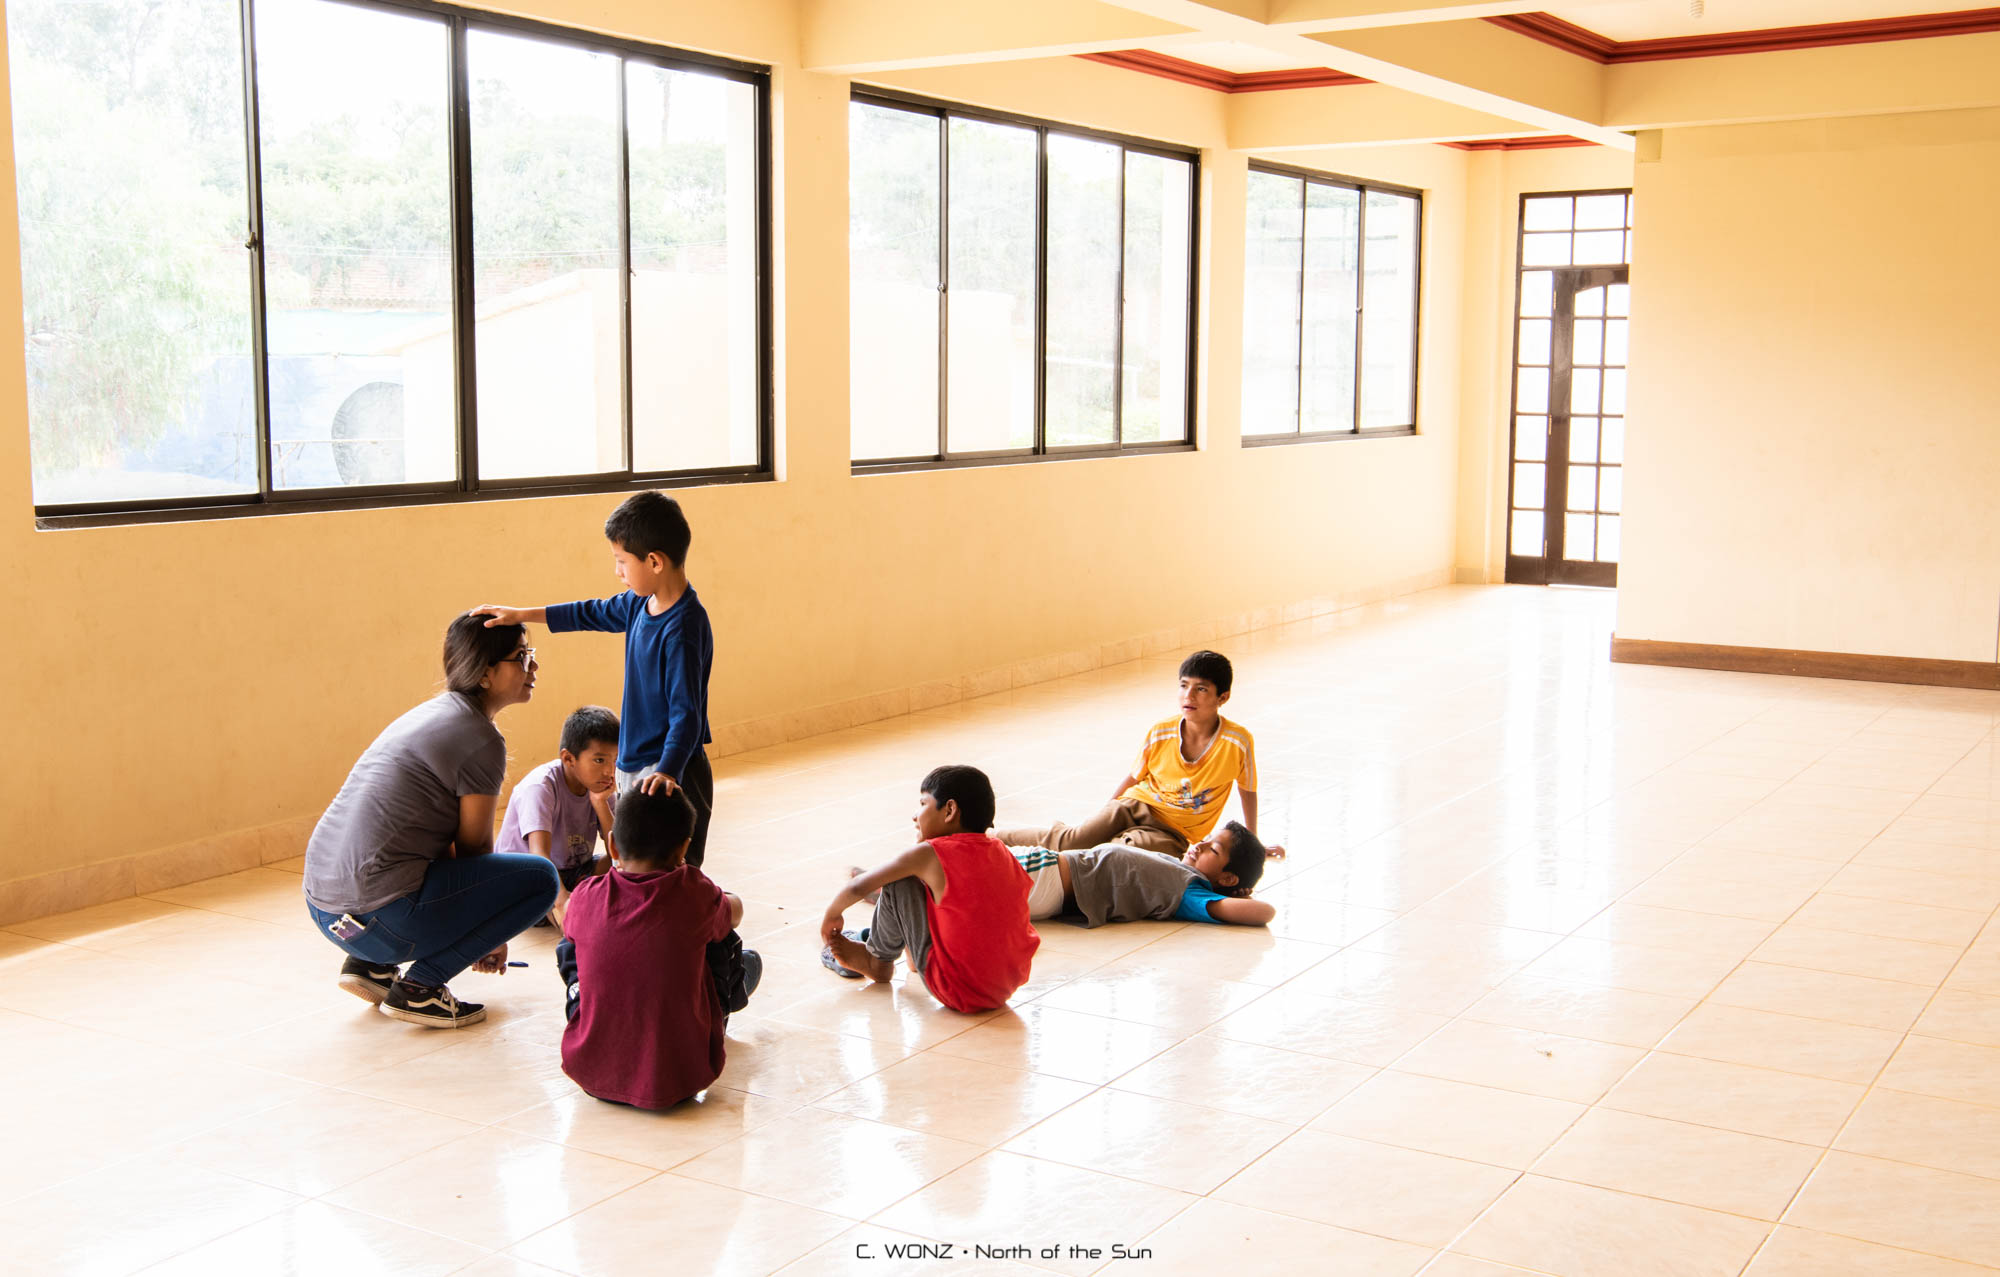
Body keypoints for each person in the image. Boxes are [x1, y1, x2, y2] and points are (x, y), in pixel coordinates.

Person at [303, 614, 560, 1028]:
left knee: (423, 862)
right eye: (521, 656)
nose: (533, 666)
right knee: (541, 879)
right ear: (485, 672)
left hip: (324, 910)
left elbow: (440, 839)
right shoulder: (480, 739)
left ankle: (370, 966)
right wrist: (490, 935)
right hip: (382, 919)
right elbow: (475, 851)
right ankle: (420, 988)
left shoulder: (430, 714)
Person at [472, 491, 717, 865]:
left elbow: (687, 714)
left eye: (621, 561)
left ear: (654, 561)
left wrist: (668, 770)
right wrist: (521, 614)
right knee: (635, 863)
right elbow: (590, 613)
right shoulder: (640, 603)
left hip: (669, 768)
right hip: (635, 764)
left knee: (672, 866)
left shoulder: (682, 627)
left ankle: (692, 919)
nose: (617, 571)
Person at [557, 775, 761, 1110]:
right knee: (722, 935)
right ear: (684, 848)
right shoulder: (694, 891)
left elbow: (567, 923)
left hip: (592, 1075)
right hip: (682, 1078)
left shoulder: (585, 895)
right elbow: (735, 910)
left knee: (569, 946)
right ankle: (729, 999)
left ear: (612, 847)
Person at [995, 650, 1285, 860]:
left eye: (1201, 689)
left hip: (1175, 833)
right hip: (1135, 805)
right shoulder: (1161, 732)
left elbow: (1248, 790)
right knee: (1073, 840)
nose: (1189, 696)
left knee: (1117, 853)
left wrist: (1253, 843)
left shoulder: (1237, 741)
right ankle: (989, 837)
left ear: (1223, 697)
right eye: (1184, 686)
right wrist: (1105, 812)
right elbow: (1134, 777)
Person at [819, 765, 1039, 1014]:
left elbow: (861, 884)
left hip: (957, 988)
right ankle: (916, 958)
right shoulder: (1001, 851)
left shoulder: (929, 854)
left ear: (950, 810)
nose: (915, 815)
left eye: (923, 804)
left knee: (899, 879)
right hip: (1005, 985)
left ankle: (877, 960)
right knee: (942, 893)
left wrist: (832, 914)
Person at [1016, 822, 1279, 928]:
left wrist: (1241, 897)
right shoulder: (1182, 871)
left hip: (1045, 874)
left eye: (1214, 849)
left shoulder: (1189, 890)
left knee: (978, 855)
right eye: (1207, 839)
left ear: (1228, 878)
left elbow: (1265, 912)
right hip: (1045, 872)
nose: (1200, 845)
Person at [495, 705, 619, 928]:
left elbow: (620, 851)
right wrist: (563, 904)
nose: (610, 771)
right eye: (600, 760)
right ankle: (567, 912)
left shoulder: (599, 785)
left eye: (615, 760)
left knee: (620, 864)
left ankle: (579, 904)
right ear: (569, 758)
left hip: (570, 869)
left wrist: (600, 803)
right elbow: (540, 857)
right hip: (526, 878)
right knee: (571, 914)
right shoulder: (541, 787)